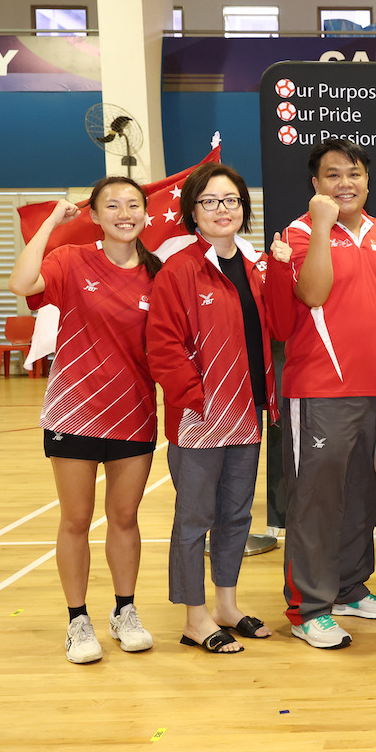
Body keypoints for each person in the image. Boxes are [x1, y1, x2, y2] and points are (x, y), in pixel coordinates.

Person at [8, 176, 159, 664]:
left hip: (134, 413)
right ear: (93, 215)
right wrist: (51, 222)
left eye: (133, 204)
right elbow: (21, 283)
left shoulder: (158, 273)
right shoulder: (72, 261)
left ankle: (124, 611)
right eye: (111, 205)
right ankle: (77, 621)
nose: (124, 213)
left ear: (145, 213)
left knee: (125, 518)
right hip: (74, 411)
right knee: (75, 519)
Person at [264, 139, 376, 650]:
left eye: (355, 174)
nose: (346, 183)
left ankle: (347, 587)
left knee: (360, 495)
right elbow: (314, 294)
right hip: (320, 390)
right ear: (315, 185)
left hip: (373, 388)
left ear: (367, 180)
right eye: (333, 175)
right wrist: (322, 225)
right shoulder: (299, 234)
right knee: (316, 501)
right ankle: (308, 608)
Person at [146, 162, 279, 654]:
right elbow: (162, 345)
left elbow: (277, 330)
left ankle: (226, 605)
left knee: (236, 517)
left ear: (243, 209)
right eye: (210, 201)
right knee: (193, 519)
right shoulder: (180, 270)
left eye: (231, 200)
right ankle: (194, 618)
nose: (222, 209)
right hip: (199, 418)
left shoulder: (255, 268)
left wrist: (282, 269)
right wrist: (194, 400)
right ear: (193, 212)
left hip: (248, 411)